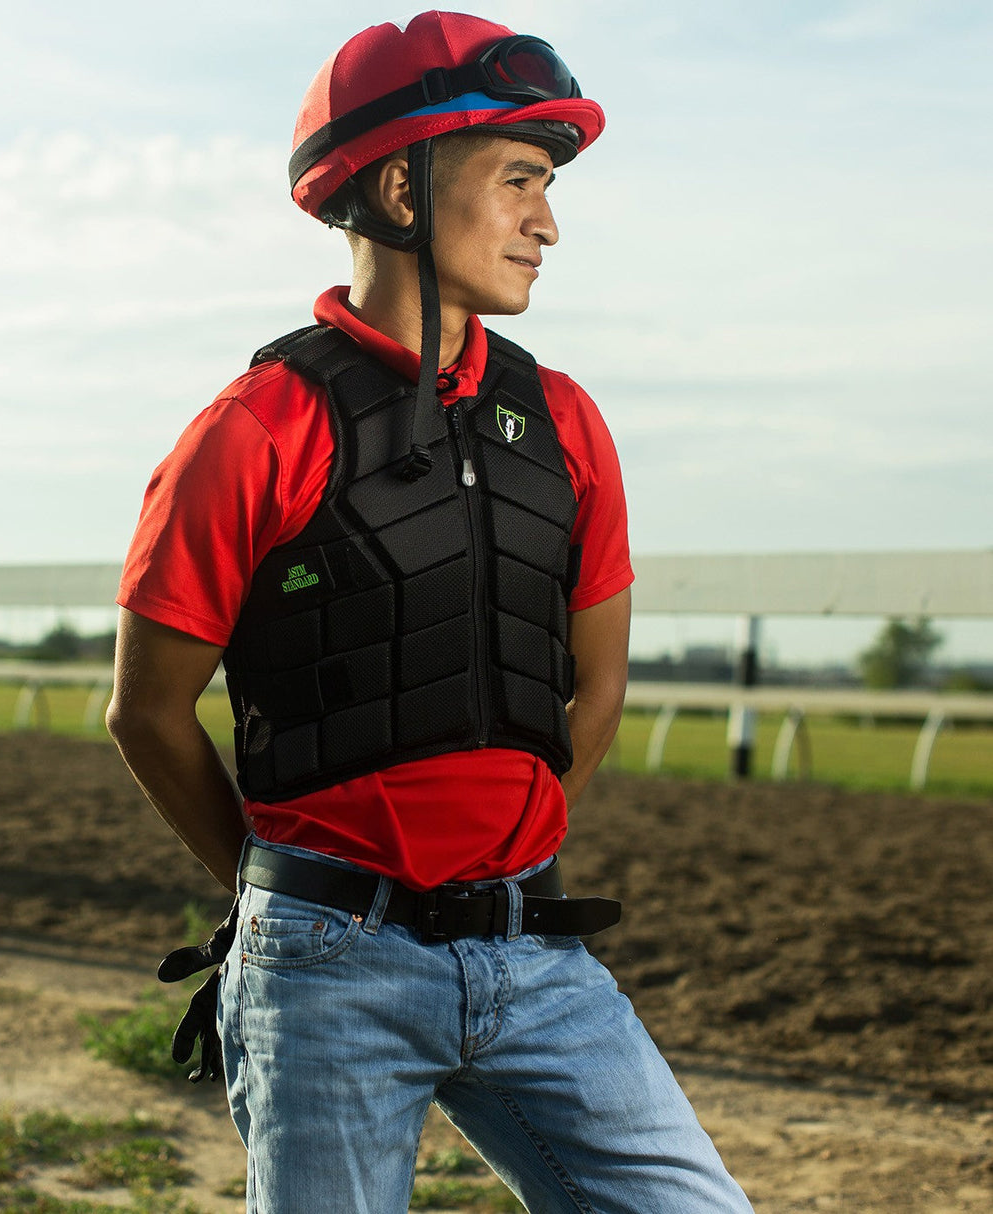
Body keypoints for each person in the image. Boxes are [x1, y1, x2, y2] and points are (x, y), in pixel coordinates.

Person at [107, 11, 753, 1212]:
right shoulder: (253, 428)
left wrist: (508, 841)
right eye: (517, 179)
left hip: (532, 953)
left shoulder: (563, 421)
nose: (546, 221)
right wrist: (278, 896)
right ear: (399, 185)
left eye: (547, 187)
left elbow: (594, 683)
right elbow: (145, 713)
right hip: (324, 964)